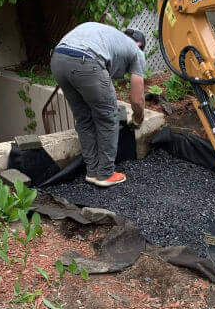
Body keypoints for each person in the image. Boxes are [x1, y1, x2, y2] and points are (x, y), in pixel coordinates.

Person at [50, 22, 146, 187]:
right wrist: (139, 117)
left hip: (58, 60)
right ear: (140, 45)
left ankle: (92, 171)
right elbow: (137, 99)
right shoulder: (136, 51)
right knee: (108, 117)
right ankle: (105, 174)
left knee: (84, 119)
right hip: (85, 61)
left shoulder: (110, 37)